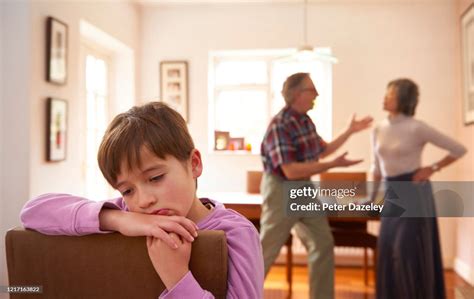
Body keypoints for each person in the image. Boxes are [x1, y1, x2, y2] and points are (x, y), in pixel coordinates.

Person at [21, 102, 264, 299]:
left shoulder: (236, 233)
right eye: (127, 191)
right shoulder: (130, 214)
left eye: (155, 178)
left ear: (194, 164)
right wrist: (117, 219)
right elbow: (33, 211)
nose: (143, 200)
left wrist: (177, 278)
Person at [260, 72, 373, 299]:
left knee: (322, 243)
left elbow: (324, 150)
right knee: (265, 253)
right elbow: (290, 170)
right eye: (312, 90)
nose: (317, 94)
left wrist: (349, 131)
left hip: (304, 189)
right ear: (296, 94)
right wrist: (333, 165)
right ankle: (236, 295)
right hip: (282, 190)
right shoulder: (280, 125)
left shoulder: (305, 121)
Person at [371, 78, 467, 299]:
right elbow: (376, 168)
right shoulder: (378, 129)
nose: (385, 97)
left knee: (406, 251)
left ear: (403, 99)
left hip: (414, 193)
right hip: (391, 194)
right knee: (388, 250)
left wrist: (432, 168)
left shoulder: (416, 127)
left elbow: (458, 149)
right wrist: (373, 198)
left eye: (391, 94)